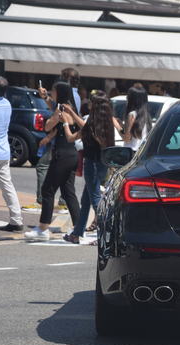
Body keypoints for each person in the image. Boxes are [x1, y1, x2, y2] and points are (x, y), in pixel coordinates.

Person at [25, 81, 81, 241]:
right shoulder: (70, 107)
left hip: (61, 156)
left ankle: (43, 229)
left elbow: (48, 126)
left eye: (53, 90)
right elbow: (54, 108)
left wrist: (49, 123)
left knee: (48, 190)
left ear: (60, 92)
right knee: (68, 192)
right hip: (72, 154)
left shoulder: (61, 109)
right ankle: (78, 226)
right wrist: (45, 97)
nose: (51, 92)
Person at [61, 92, 119, 244]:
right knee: (86, 200)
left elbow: (70, 138)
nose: (89, 105)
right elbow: (84, 125)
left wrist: (66, 123)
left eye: (92, 104)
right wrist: (72, 112)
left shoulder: (91, 126)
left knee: (95, 200)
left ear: (95, 107)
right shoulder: (106, 124)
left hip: (91, 165)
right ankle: (77, 233)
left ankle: (105, 236)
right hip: (102, 165)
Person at [0, 75, 24, 232]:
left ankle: (16, 220)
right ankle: (16, 219)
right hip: (4, 151)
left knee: (7, 187)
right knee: (7, 187)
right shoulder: (7, 104)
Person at [119, 86, 151, 152]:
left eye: (128, 96)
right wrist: (121, 124)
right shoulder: (146, 115)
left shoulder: (132, 114)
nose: (126, 98)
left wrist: (117, 125)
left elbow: (127, 139)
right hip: (141, 152)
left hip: (131, 152)